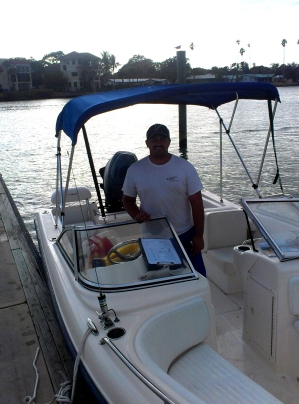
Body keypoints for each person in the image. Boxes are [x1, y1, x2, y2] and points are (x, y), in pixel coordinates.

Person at [122, 123, 206, 277]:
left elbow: (197, 203)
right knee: (161, 281)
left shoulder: (185, 167)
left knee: (197, 276)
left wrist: (199, 235)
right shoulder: (135, 170)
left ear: (169, 141)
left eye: (162, 139)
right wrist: (136, 214)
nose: (158, 143)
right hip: (152, 237)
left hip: (185, 234)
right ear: (147, 143)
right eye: (154, 140)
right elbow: (128, 200)